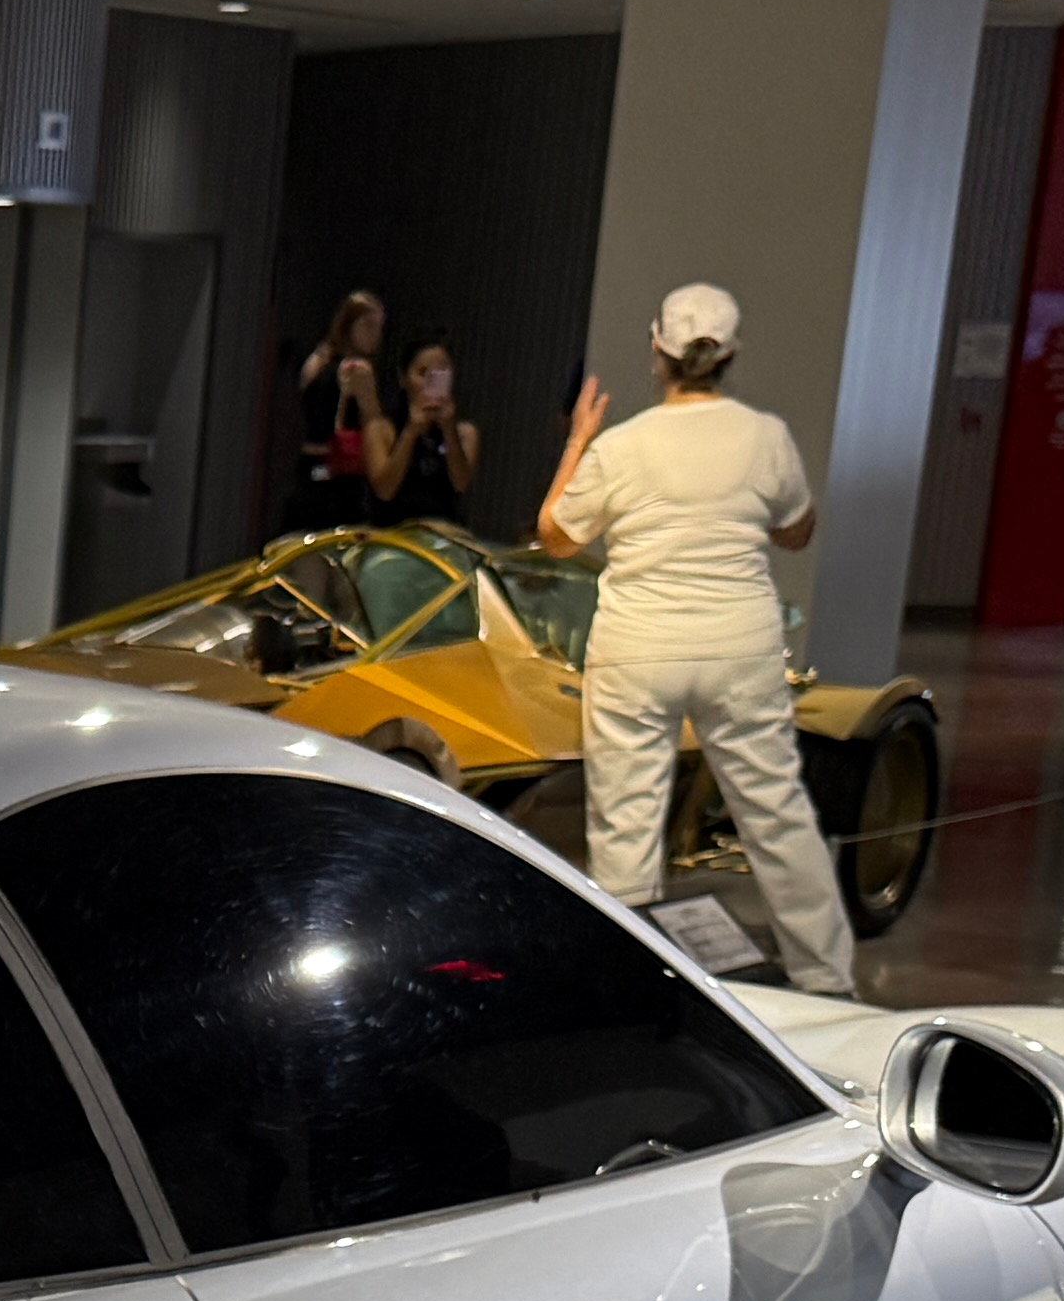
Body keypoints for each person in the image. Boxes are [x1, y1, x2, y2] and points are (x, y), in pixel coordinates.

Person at [538, 280, 857, 990]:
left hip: (637, 647)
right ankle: (827, 976)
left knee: (626, 823)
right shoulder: (765, 435)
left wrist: (579, 442)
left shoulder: (623, 446)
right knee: (775, 812)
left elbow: (556, 536)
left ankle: (631, 984)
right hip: (737, 646)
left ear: (658, 350)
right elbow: (798, 530)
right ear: (729, 355)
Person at [364, 338, 481, 518]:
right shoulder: (380, 429)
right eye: (423, 373)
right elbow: (384, 490)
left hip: (442, 529)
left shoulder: (465, 433)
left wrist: (449, 430)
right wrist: (411, 432)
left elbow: (460, 484)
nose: (430, 382)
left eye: (441, 373)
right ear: (403, 378)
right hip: (392, 529)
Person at [291, 290, 390, 499]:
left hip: (311, 463)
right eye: (368, 326)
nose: (375, 335)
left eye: (379, 327)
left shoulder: (318, 359)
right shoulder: (357, 369)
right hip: (341, 468)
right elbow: (374, 422)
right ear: (349, 325)